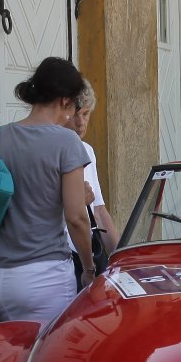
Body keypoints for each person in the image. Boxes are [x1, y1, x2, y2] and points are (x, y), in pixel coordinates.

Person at [0, 56, 94, 330]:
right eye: (74, 106)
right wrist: (88, 268)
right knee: (48, 353)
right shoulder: (67, 142)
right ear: (64, 100)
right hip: (46, 279)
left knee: (12, 352)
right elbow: (76, 218)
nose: (73, 115)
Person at [69, 85, 119, 280]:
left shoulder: (87, 151)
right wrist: (75, 200)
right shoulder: (50, 152)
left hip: (88, 255)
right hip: (63, 259)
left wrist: (121, 257)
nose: (81, 122)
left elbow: (99, 211)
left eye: (86, 114)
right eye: (75, 114)